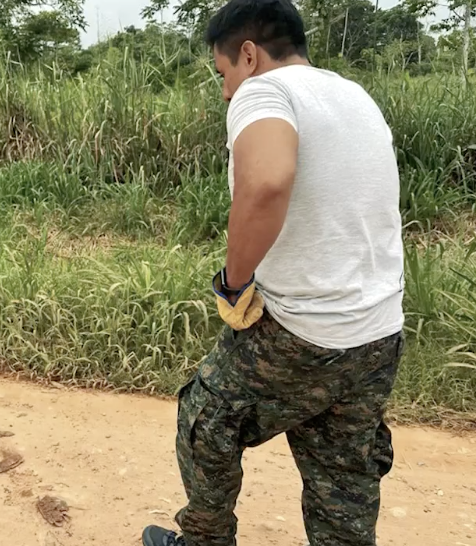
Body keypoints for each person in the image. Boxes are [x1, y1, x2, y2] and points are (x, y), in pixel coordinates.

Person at [141, 0, 406, 545]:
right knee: (342, 467)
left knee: (206, 416)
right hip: (378, 332)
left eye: (223, 74)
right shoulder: (352, 95)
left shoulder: (265, 89)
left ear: (248, 53)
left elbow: (265, 184)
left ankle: (203, 541)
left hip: (305, 330)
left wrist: (234, 282)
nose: (225, 92)